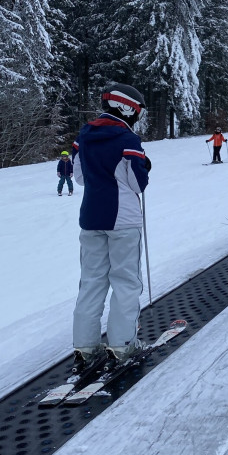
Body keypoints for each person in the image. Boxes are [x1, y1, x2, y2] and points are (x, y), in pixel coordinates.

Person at [71, 82, 152, 369]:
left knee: (91, 282)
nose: (138, 117)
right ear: (127, 107)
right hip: (123, 221)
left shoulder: (84, 136)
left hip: (91, 218)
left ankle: (85, 345)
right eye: (138, 111)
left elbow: (79, 177)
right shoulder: (127, 139)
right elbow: (137, 183)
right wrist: (144, 166)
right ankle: (121, 345)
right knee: (126, 281)